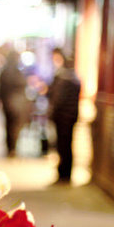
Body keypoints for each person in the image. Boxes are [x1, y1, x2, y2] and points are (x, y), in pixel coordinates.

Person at [47, 48, 81, 184]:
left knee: (63, 146)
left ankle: (64, 175)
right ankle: (65, 174)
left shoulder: (63, 78)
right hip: (69, 116)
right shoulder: (72, 77)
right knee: (66, 146)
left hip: (63, 117)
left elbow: (58, 99)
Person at [0, 50, 30, 158]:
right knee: (15, 127)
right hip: (17, 104)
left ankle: (10, 148)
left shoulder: (4, 71)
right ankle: (13, 149)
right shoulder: (18, 72)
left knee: (8, 125)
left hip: (7, 103)